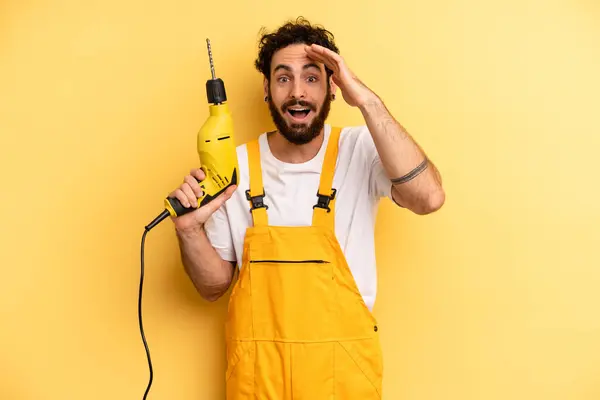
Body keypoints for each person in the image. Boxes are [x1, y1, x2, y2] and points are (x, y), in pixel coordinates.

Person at [168, 17, 444, 400]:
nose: (298, 92)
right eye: (283, 78)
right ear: (267, 89)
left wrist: (365, 99)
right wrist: (188, 231)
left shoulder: (361, 149)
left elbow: (428, 198)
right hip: (256, 382)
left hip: (342, 381)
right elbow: (212, 286)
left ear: (334, 87)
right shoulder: (237, 165)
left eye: (312, 78)